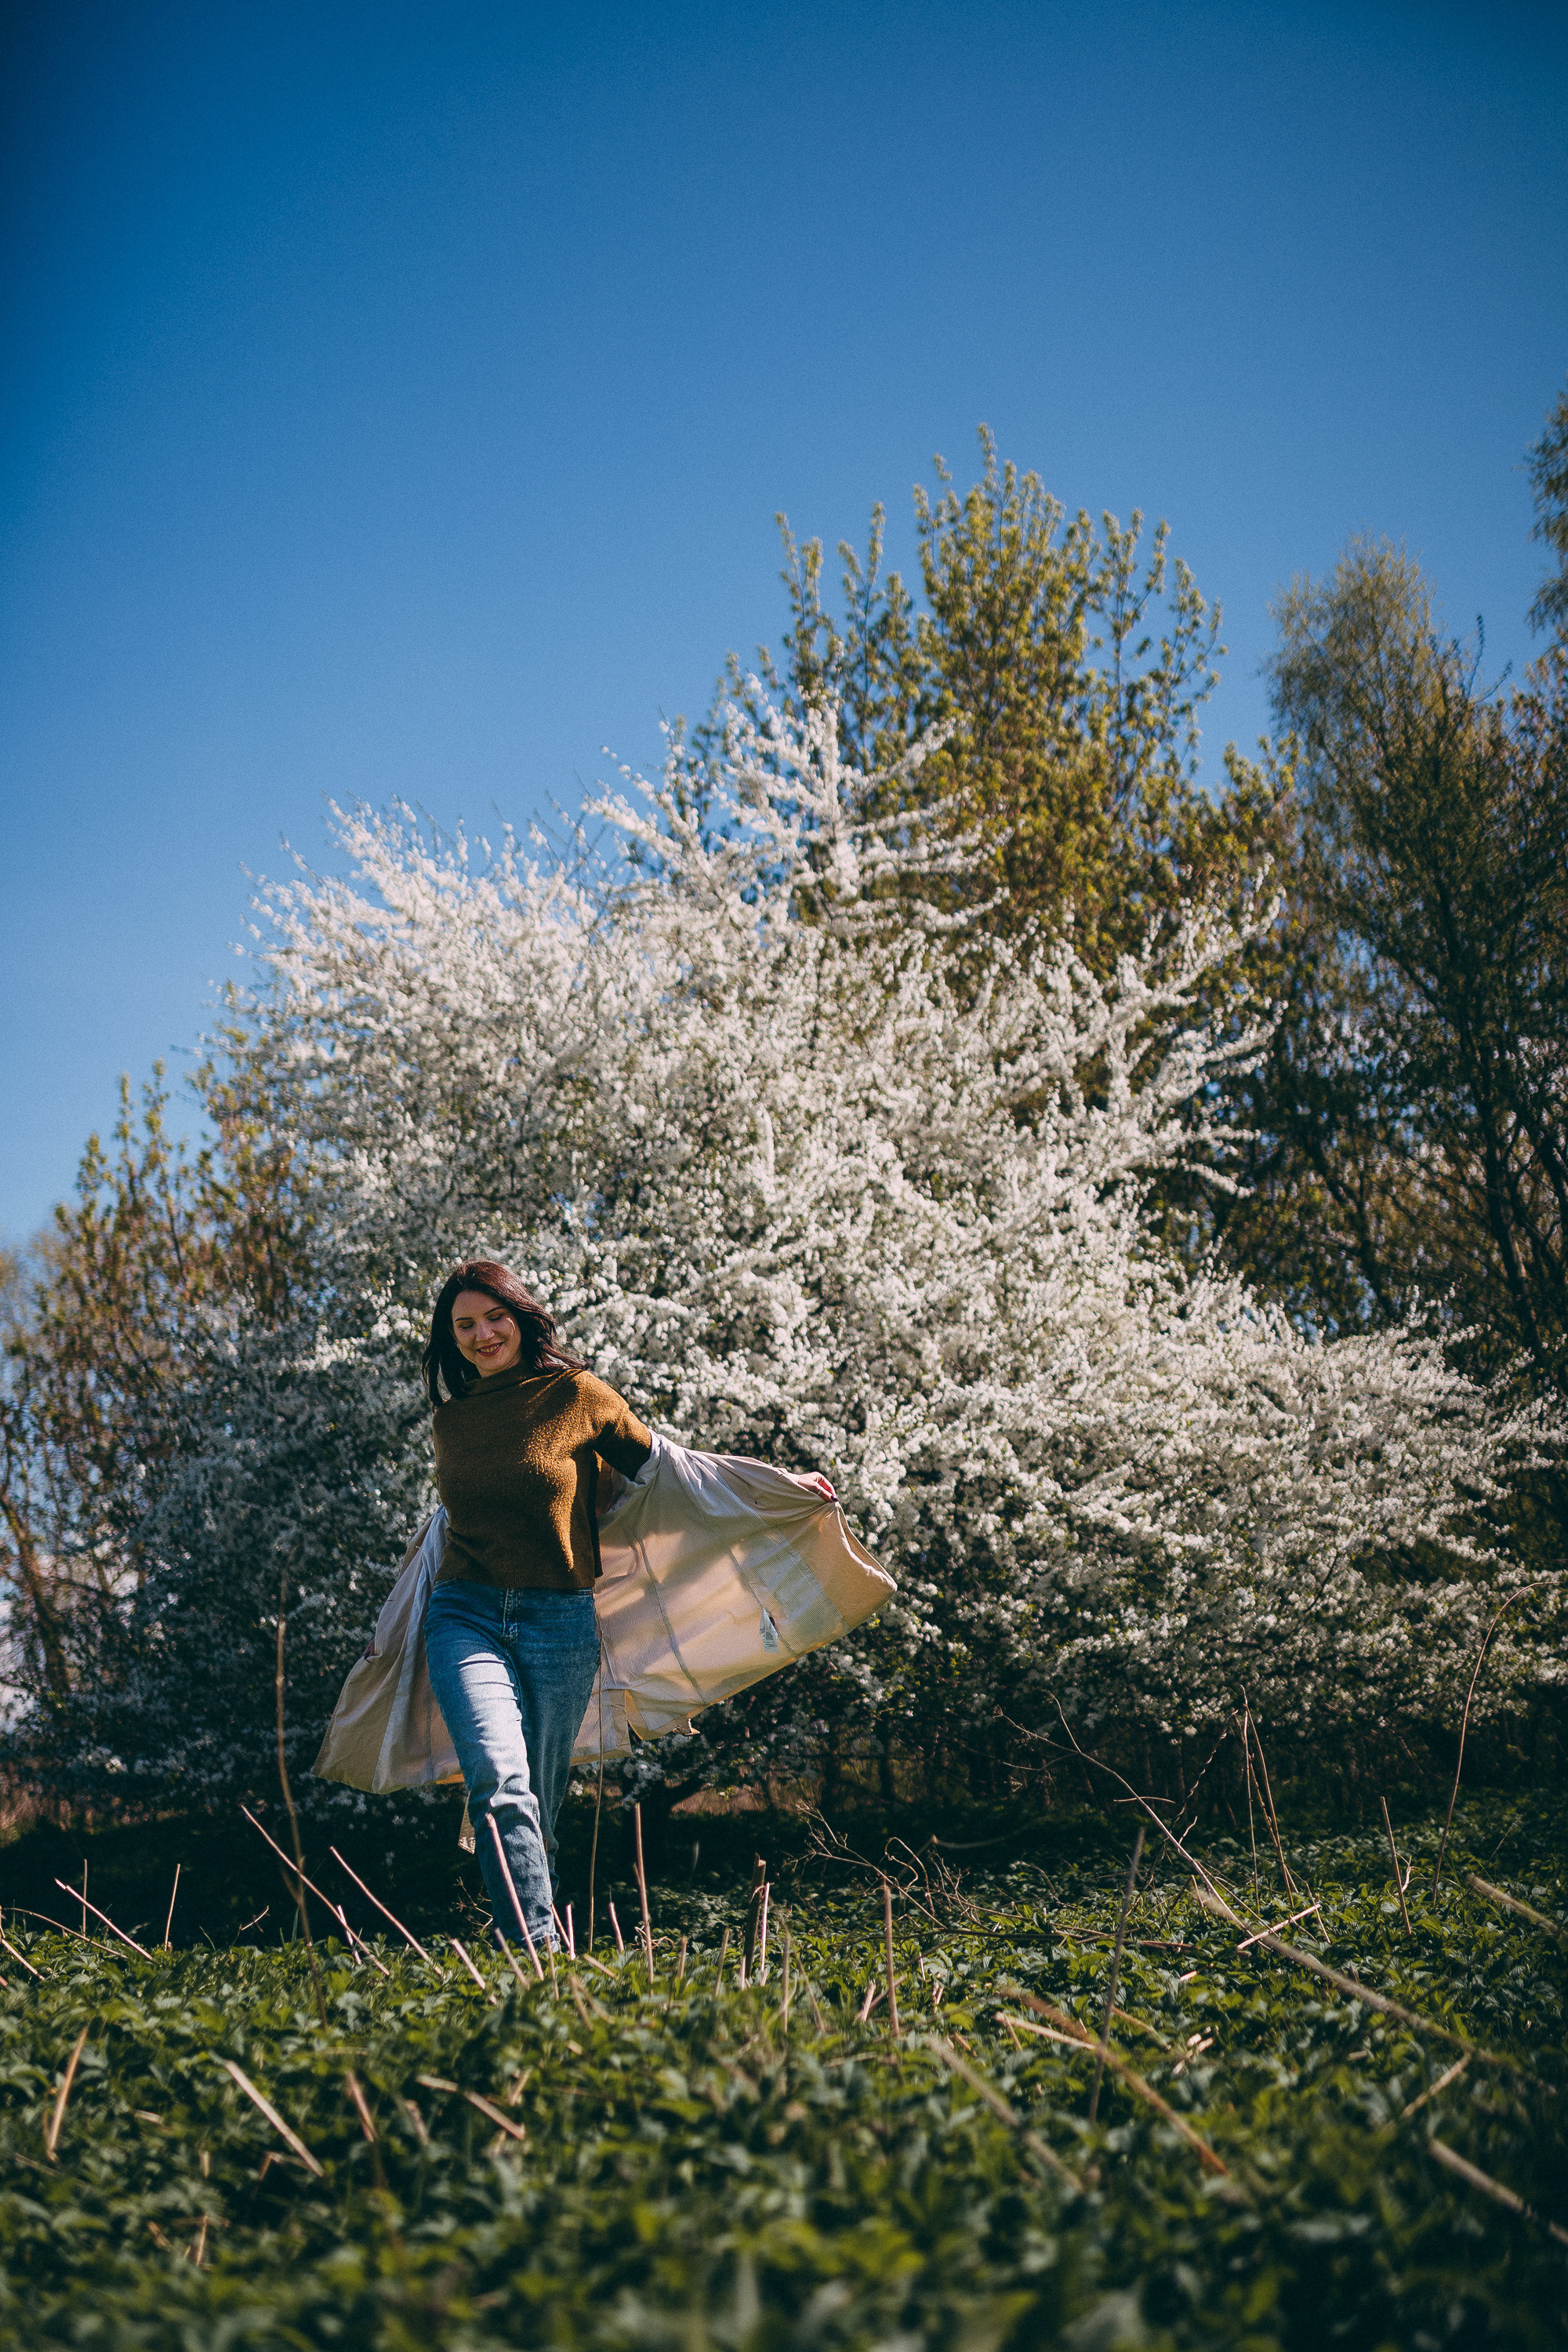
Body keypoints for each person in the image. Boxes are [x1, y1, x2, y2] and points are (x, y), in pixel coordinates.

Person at [419, 1259, 652, 1950]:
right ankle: (537, 1953)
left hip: (559, 1620)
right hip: (464, 1612)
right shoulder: (452, 1420)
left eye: (495, 1317)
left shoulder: (576, 1394)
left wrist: (771, 1487)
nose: (483, 1335)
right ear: (451, 1338)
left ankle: (530, 1970)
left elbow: (665, 1468)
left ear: (521, 1317)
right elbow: (450, 1524)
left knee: (536, 1807)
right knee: (498, 1779)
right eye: (465, 1325)